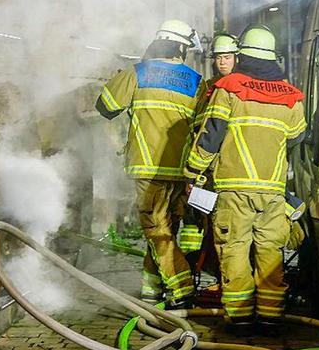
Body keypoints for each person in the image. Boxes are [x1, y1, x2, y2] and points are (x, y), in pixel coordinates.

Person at [185, 26, 306, 333]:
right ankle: (270, 317)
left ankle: (239, 318)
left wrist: (193, 172)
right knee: (270, 252)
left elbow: (211, 136)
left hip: (234, 189)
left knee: (235, 250)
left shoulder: (229, 89)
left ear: (243, 56)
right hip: (273, 191)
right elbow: (297, 137)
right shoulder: (292, 98)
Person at [96, 19, 203, 308]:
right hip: (182, 172)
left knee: (157, 232)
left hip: (148, 167)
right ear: (181, 47)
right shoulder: (196, 81)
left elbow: (104, 107)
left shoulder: (138, 73)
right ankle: (151, 291)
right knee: (164, 232)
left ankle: (182, 289)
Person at [178, 34, 239, 296]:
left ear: (237, 58)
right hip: (207, 172)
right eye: (218, 58)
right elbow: (199, 127)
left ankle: (224, 280)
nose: (222, 62)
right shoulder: (209, 88)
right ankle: (201, 271)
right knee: (203, 226)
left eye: (226, 57)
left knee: (227, 232)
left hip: (231, 170)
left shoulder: (239, 88)